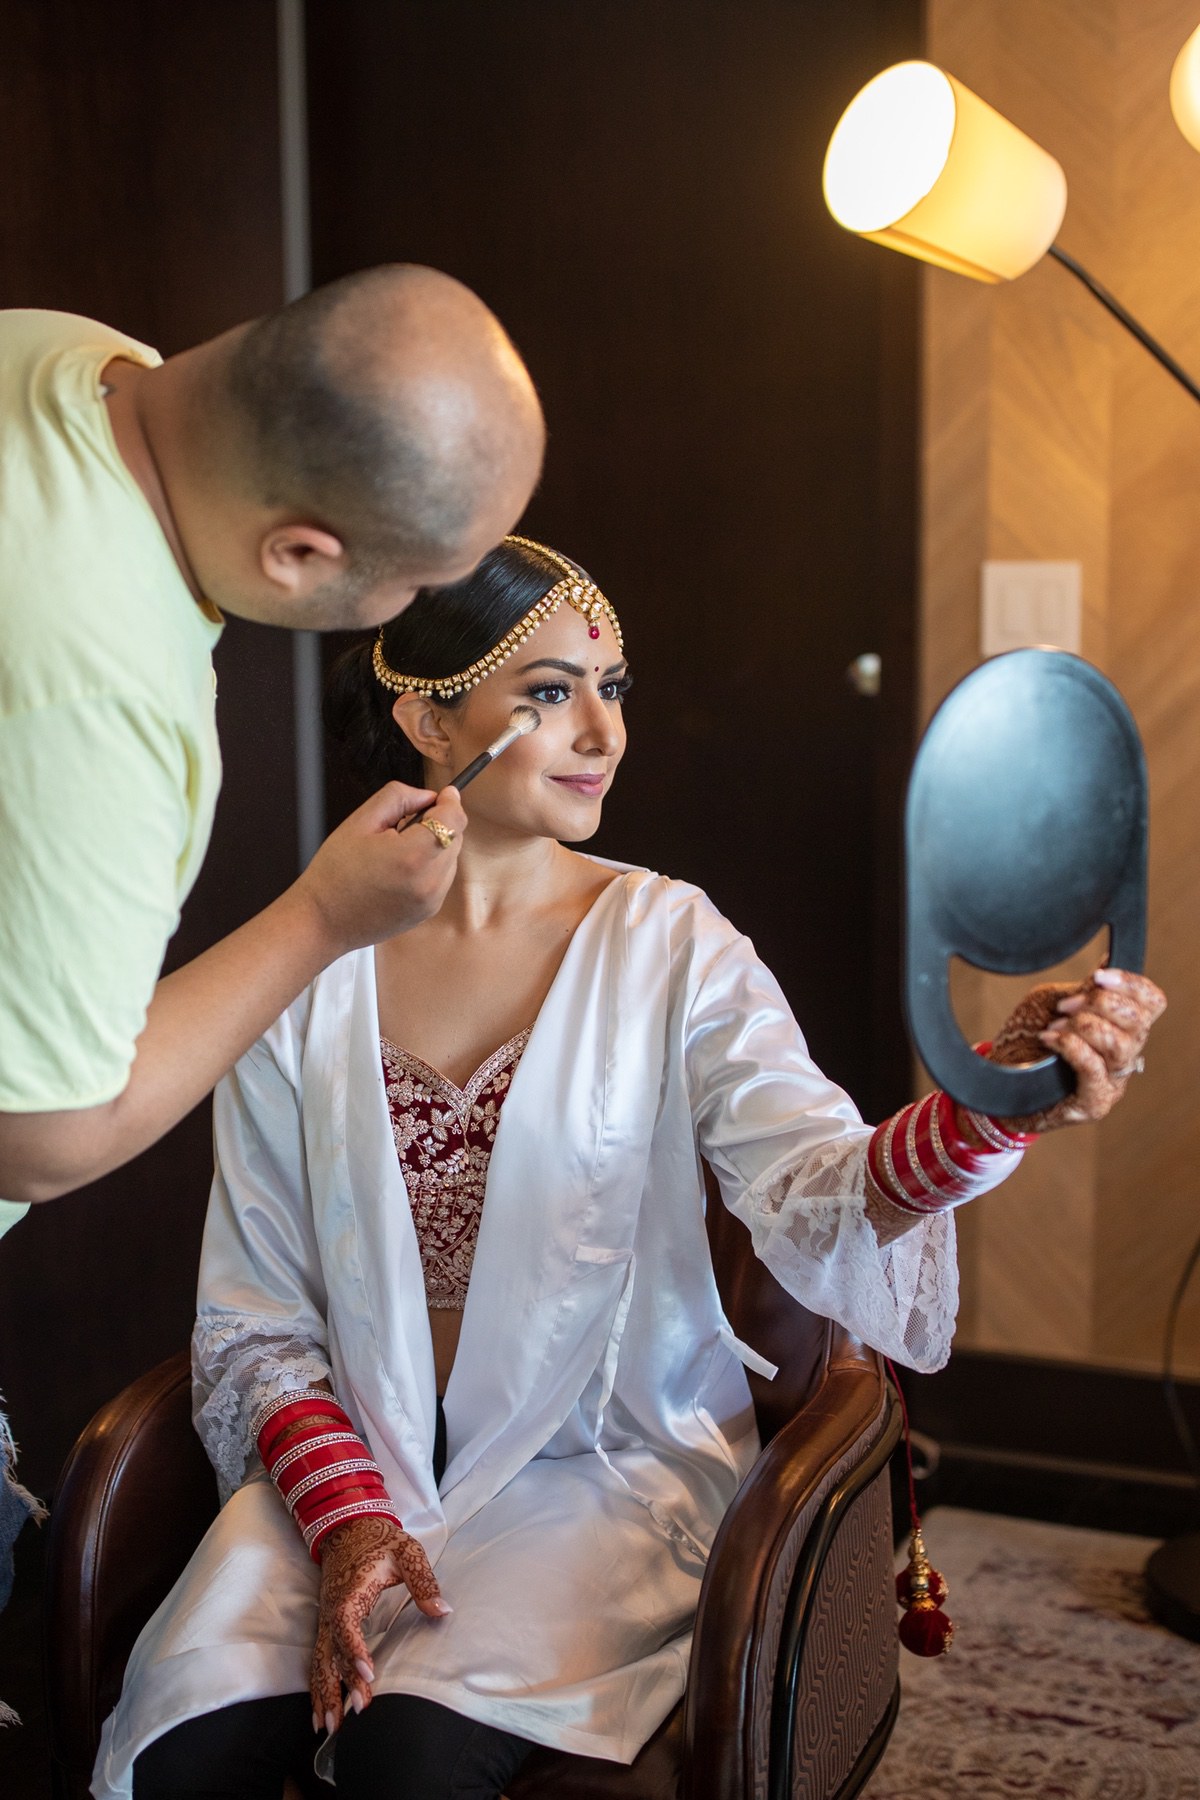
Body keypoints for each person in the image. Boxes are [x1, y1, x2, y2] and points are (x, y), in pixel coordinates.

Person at [93, 538, 1164, 1799]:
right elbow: (260, 1322)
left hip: (595, 1476)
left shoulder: (674, 944)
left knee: (407, 1758)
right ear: (430, 717)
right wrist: (348, 1517)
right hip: (353, 1466)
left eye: (614, 688)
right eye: (547, 693)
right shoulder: (302, 966)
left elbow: (820, 1185)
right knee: (178, 1753)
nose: (602, 729)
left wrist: (999, 1097)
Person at [0, 263, 545, 1225]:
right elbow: (39, 1141)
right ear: (297, 553)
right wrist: (324, 919)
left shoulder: (62, 349)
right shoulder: (97, 706)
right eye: (416, 587)